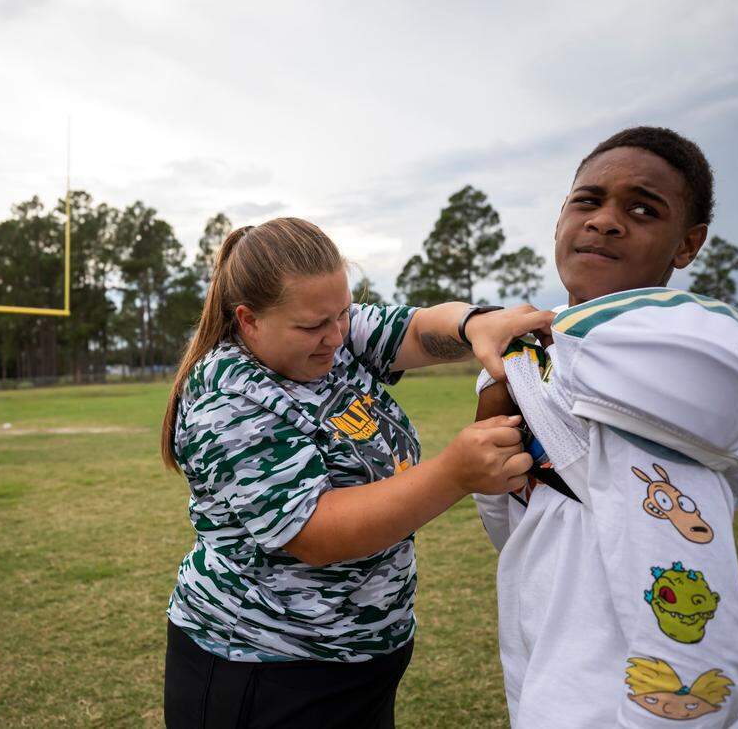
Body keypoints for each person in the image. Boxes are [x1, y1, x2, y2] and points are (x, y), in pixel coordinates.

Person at [161, 217, 553, 728]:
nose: (334, 337)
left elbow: (417, 328)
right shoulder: (229, 394)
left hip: (355, 661)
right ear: (248, 319)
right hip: (266, 669)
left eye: (342, 315)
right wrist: (454, 474)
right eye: (312, 327)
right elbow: (313, 532)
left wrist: (474, 323)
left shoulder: (331, 329)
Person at [472, 127, 738, 727]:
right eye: (587, 201)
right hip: (550, 657)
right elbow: (517, 527)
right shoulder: (535, 353)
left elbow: (688, 612)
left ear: (687, 245)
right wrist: (499, 391)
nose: (606, 221)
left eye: (643, 209)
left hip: (623, 699)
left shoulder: (662, 380)